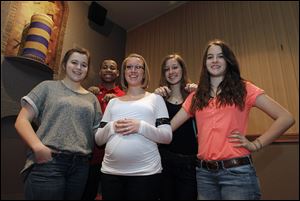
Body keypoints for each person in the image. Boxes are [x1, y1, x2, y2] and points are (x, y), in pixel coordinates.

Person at [170, 39, 295, 200]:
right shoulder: (196, 96)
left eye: (220, 56)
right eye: (210, 57)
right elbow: (169, 127)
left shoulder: (244, 89)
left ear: (228, 60)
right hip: (204, 175)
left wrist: (256, 144)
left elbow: (286, 118)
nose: (214, 60)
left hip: (237, 173)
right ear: (205, 63)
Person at [14, 47, 102, 200]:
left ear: (87, 69)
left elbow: (97, 133)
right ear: (64, 64)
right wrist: (38, 147)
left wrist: (115, 128)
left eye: (84, 65)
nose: (78, 68)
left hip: (80, 167)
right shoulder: (47, 87)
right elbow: (21, 121)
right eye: (74, 62)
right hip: (50, 163)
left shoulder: (92, 99)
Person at [95, 53, 172, 200]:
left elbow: (167, 137)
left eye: (138, 67)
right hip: (111, 174)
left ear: (144, 72)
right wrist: (112, 127)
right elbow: (99, 140)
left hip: (146, 174)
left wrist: (140, 126)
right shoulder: (113, 103)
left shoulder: (156, 99)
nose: (133, 70)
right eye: (129, 67)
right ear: (124, 72)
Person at [154, 54, 198, 200]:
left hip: (189, 162)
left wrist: (200, 93)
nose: (171, 72)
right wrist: (153, 98)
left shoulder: (194, 95)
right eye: (167, 69)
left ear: (182, 69)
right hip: (164, 159)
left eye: (175, 67)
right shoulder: (159, 98)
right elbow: (152, 128)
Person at [82, 59, 125, 200]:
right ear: (100, 72)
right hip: (92, 153)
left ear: (118, 73)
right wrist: (88, 96)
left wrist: (117, 102)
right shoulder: (90, 93)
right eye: (105, 67)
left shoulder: (124, 96)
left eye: (112, 68)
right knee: (87, 192)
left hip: (114, 153)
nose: (108, 70)